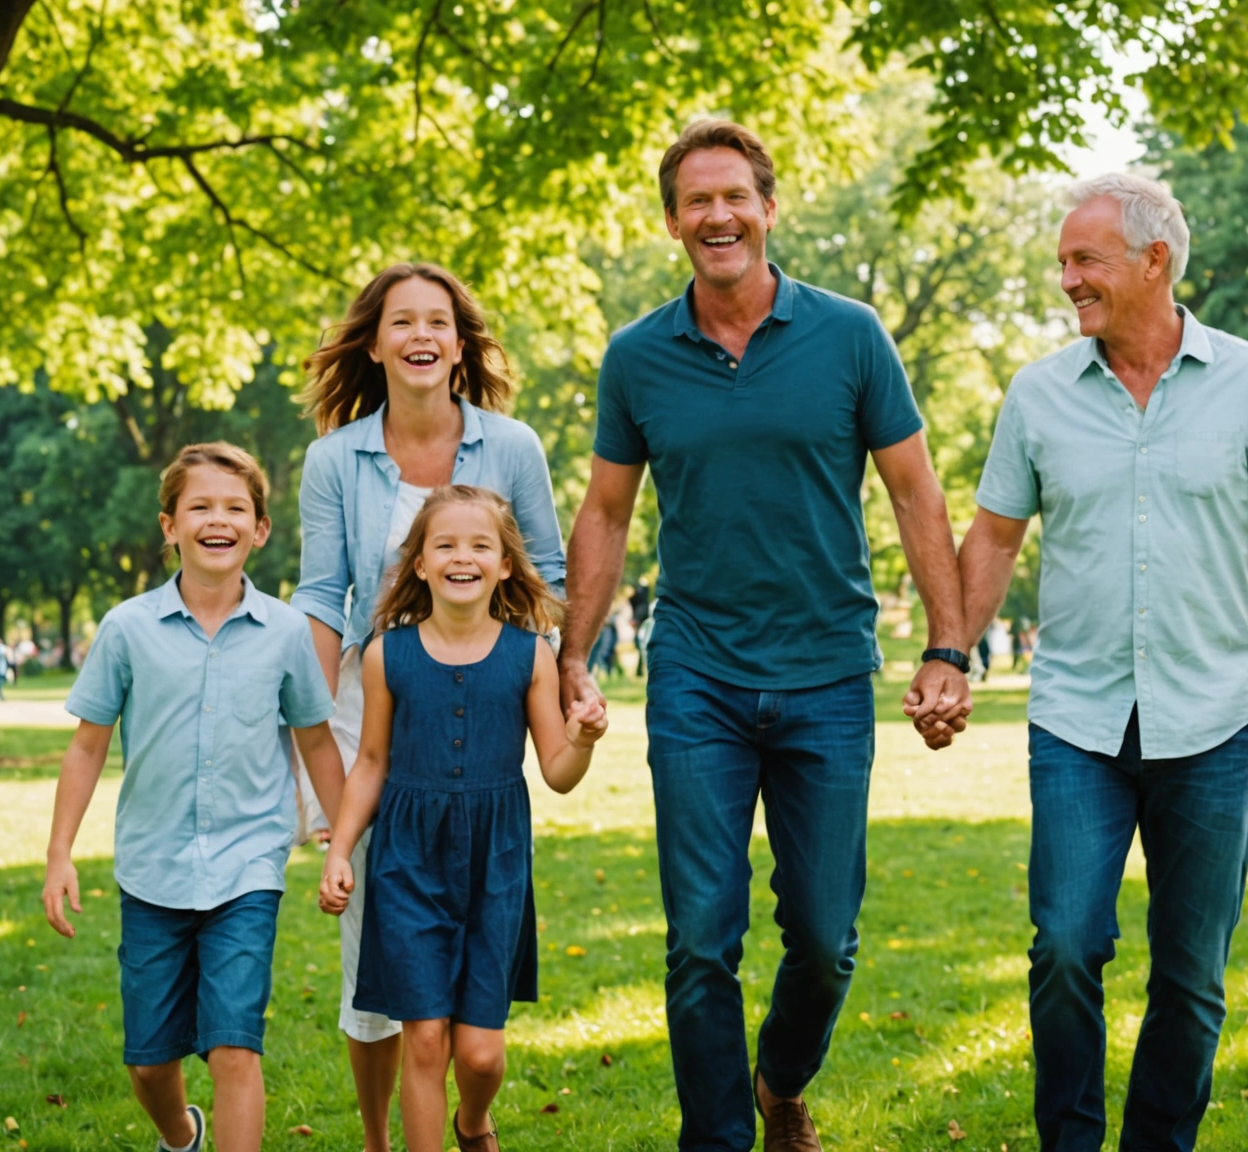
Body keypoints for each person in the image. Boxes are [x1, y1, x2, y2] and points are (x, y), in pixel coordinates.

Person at [558, 119, 973, 1152]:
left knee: (826, 938)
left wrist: (947, 645)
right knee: (701, 939)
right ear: (671, 223)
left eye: (733, 196)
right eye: (695, 201)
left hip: (828, 670)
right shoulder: (637, 356)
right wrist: (573, 653)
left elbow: (916, 493)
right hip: (695, 672)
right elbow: (606, 513)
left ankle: (781, 1081)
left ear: (769, 207)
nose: (717, 216)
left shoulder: (849, 335)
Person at [952, 172, 1248, 1152]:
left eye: (1084, 262)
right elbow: (994, 537)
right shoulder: (1038, 394)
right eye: (1062, 264)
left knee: (1192, 976)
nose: (1066, 280)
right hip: (1076, 721)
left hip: (1212, 723)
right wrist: (948, 653)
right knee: (1067, 949)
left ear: (1153, 261)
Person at [292, 261, 566, 1151]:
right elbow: (324, 595)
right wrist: (299, 726)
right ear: (374, 343)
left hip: (482, 699)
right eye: (400, 322)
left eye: (436, 322)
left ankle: (466, 1118)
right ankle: (381, 1138)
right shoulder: (335, 458)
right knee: (373, 947)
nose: (419, 336)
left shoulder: (512, 447)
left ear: (458, 343)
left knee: (464, 1013)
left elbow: (546, 580)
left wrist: (552, 686)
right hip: (370, 710)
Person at [41, 442, 347, 1152]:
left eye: (236, 508)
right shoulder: (127, 629)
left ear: (261, 529)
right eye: (200, 507)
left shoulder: (285, 634)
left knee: (235, 1047)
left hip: (248, 867)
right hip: (152, 869)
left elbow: (317, 743)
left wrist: (346, 836)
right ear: (169, 526)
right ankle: (182, 1136)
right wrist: (60, 854)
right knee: (149, 1063)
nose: (219, 520)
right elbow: (87, 747)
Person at [318, 485, 605, 1152]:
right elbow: (369, 764)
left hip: (494, 866)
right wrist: (340, 850)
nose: (461, 557)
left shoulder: (529, 655)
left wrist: (584, 740)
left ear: (505, 564)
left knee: (478, 1055)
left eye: (480, 545)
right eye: (444, 544)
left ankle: (473, 1122)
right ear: (418, 563)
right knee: (422, 1037)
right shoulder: (386, 654)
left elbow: (558, 772)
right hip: (406, 863)